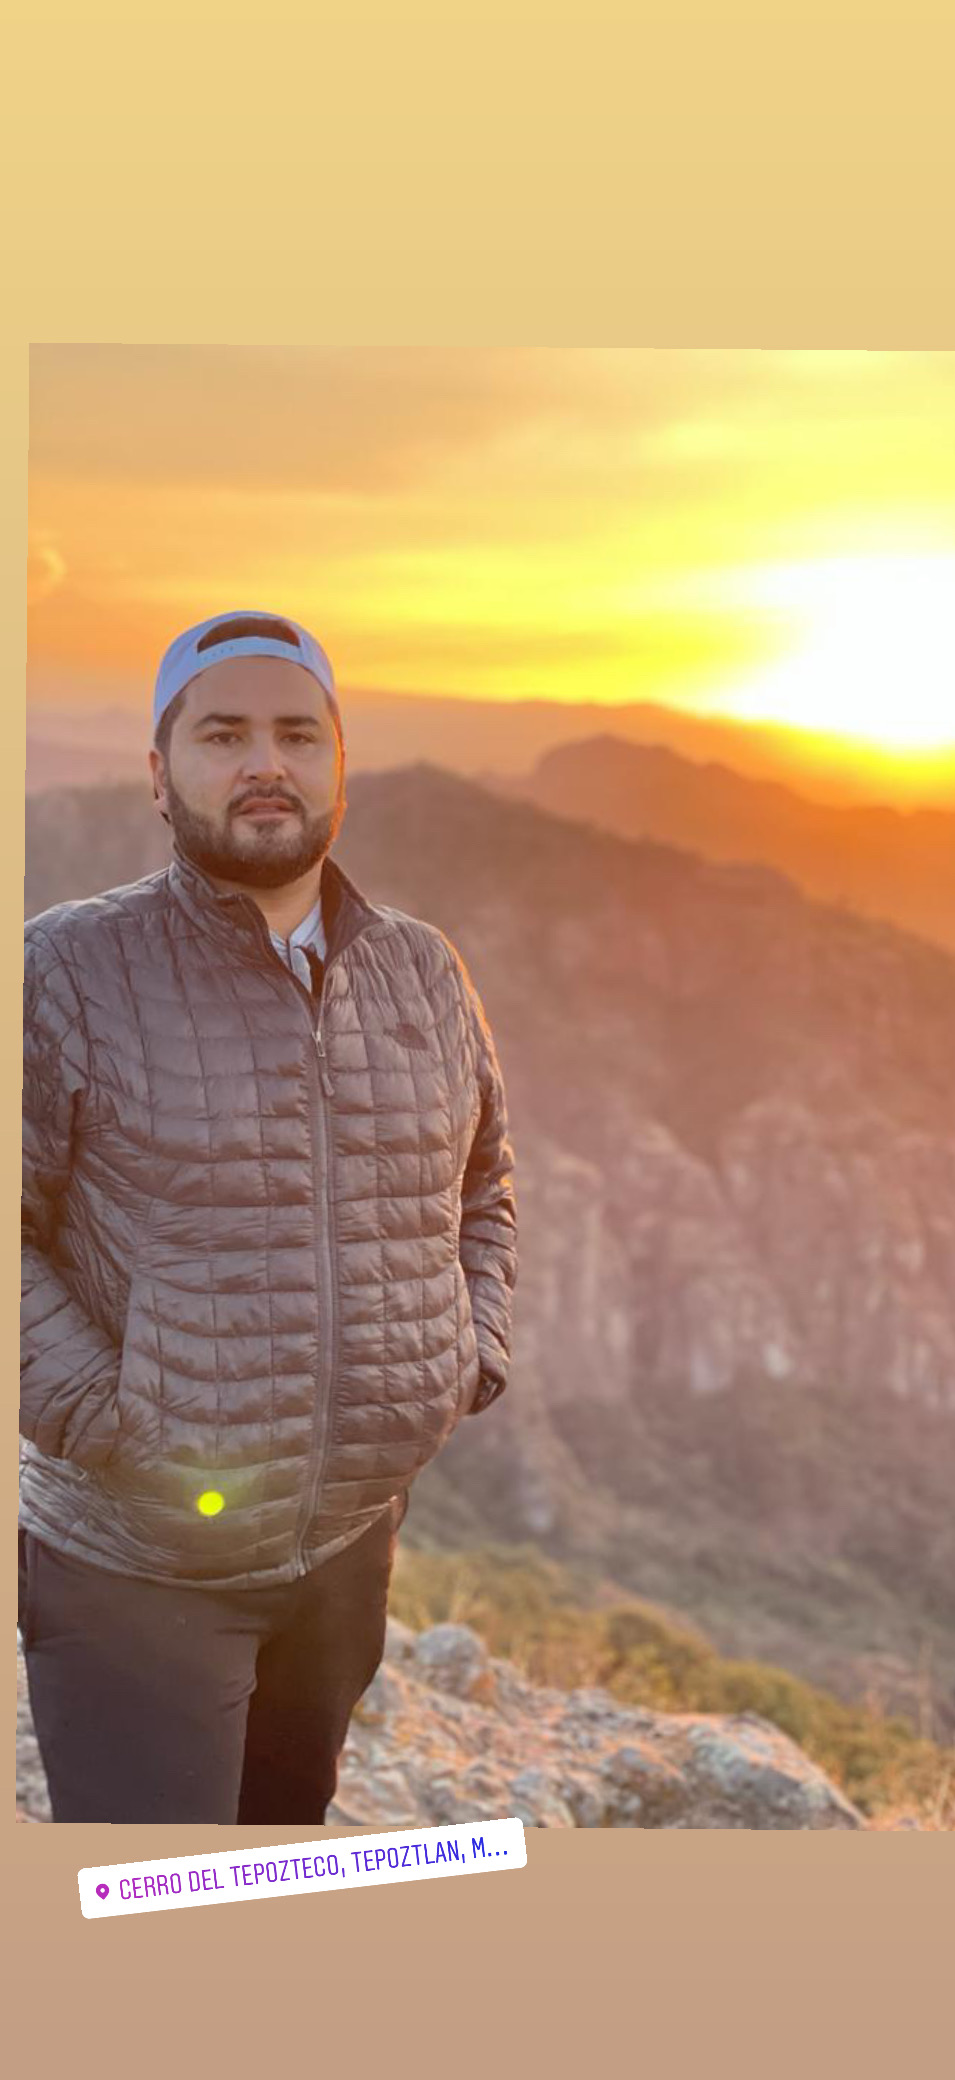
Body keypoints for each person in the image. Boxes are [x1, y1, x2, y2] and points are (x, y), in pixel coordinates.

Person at [19, 608, 518, 1824]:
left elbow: (484, 1181)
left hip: (347, 1549)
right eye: (223, 734)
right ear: (159, 770)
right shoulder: (67, 969)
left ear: (339, 762)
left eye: (298, 734)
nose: (265, 764)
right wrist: (118, 1418)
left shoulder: (422, 970)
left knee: (278, 1861)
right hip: (140, 1564)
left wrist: (468, 1354)